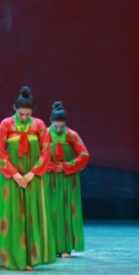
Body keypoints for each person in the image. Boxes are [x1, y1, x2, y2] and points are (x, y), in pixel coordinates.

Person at [0, 86, 55, 271]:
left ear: (32, 111)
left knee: (31, 213)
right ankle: (14, 257)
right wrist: (15, 174)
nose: (24, 117)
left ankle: (31, 258)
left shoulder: (39, 125)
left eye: (28, 114)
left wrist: (30, 174)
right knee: (12, 214)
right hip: (12, 177)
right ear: (15, 108)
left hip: (32, 177)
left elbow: (46, 152)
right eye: (21, 114)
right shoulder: (6, 124)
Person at [46, 100, 89, 258]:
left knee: (66, 210)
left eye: (61, 127)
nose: (58, 130)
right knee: (50, 210)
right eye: (56, 126)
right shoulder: (44, 135)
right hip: (49, 178)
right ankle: (49, 247)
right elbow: (37, 156)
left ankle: (65, 247)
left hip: (67, 179)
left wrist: (65, 166)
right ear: (50, 121)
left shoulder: (72, 135)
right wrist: (52, 166)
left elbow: (84, 155)